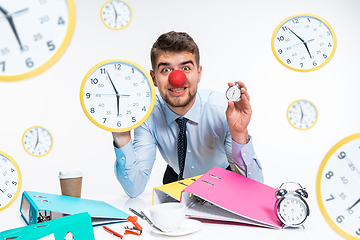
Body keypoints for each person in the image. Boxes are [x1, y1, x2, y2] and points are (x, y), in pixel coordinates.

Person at [112, 31, 263, 198]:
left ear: (198, 73)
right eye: (166, 69)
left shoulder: (223, 110)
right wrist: (121, 137)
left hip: (223, 185)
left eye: (185, 68)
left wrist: (239, 134)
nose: (177, 78)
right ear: (153, 78)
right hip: (175, 185)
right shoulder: (147, 114)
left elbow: (254, 191)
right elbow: (134, 189)